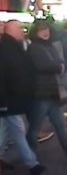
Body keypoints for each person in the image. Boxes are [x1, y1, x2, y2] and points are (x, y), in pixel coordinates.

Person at [26, 19, 67, 164]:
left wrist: (58, 65)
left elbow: (60, 62)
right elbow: (44, 65)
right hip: (40, 94)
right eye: (41, 30)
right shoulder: (34, 47)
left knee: (61, 128)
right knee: (34, 130)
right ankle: (31, 160)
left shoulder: (49, 46)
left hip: (52, 93)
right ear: (36, 32)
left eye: (46, 29)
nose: (45, 32)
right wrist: (58, 66)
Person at [0, 20, 46, 175]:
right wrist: (3, 102)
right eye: (19, 28)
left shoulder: (15, 47)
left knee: (6, 131)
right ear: (10, 30)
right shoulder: (6, 49)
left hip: (13, 98)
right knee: (18, 130)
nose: (23, 30)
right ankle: (32, 163)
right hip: (9, 99)